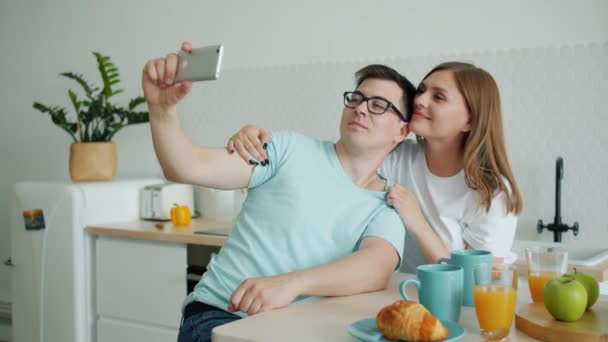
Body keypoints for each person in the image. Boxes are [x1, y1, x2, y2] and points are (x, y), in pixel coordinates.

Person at [142, 42, 417, 342]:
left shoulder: (388, 203)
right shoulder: (288, 149)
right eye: (356, 99)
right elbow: (188, 166)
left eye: (378, 105)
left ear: (401, 132)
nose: (361, 108)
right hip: (220, 316)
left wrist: (291, 284)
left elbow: (374, 268)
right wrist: (161, 110)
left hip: (294, 330)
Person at [226, 62, 523, 273]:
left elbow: (476, 285)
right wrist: (254, 139)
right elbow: (332, 162)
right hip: (389, 298)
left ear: (470, 120)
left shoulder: (491, 192)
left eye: (439, 97)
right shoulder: (396, 155)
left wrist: (416, 220)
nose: (419, 100)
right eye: (421, 90)